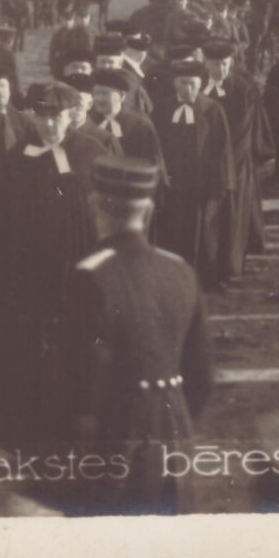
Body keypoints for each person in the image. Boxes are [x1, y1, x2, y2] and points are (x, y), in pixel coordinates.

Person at [55, 156, 213, 514]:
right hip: (175, 429)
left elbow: (75, 377)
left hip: (113, 435)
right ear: (149, 210)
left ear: (94, 204)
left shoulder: (88, 277)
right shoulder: (180, 270)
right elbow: (203, 375)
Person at [0, 82, 108, 450]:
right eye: (42, 117)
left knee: (75, 353)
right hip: (28, 279)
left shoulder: (91, 152)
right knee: (27, 356)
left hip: (79, 274)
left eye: (55, 117)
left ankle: (74, 435)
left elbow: (105, 213)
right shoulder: (16, 159)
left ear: (71, 116)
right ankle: (24, 435)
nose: (49, 126)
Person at [154, 59, 234, 291]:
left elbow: (221, 149)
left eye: (192, 83)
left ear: (199, 84)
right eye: (182, 83)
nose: (187, 89)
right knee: (172, 230)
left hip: (202, 184)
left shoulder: (212, 110)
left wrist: (218, 182)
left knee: (204, 232)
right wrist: (161, 173)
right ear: (175, 84)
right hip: (171, 183)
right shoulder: (162, 109)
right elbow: (155, 145)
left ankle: (206, 277)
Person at [202, 40, 277, 263]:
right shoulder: (199, 87)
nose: (220, 70)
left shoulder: (243, 90)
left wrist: (222, 162)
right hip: (205, 163)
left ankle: (231, 262)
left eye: (225, 64)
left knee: (233, 214)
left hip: (236, 161)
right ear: (205, 63)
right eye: (215, 64)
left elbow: (241, 133)